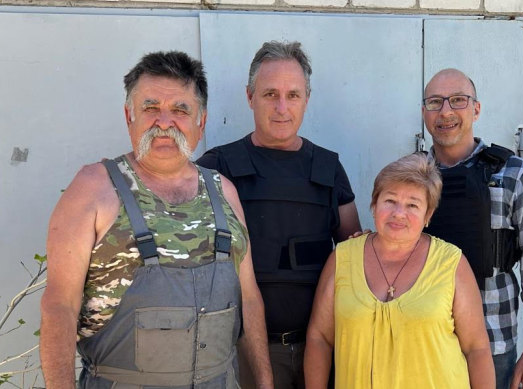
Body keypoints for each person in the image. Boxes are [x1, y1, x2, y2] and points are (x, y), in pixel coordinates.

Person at [40, 51, 273, 389]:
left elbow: (248, 298)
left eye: (180, 110)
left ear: (201, 121)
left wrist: (264, 382)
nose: (165, 122)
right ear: (128, 115)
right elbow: (59, 305)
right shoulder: (93, 190)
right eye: (151, 108)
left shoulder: (225, 193)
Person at [197, 41, 361, 388]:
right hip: (241, 351)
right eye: (270, 94)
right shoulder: (216, 168)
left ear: (307, 98)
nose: (282, 107)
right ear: (249, 96)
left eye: (293, 95)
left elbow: (355, 261)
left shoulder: (328, 169)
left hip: (322, 350)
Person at [304, 153, 495, 388]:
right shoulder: (342, 259)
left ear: (428, 215)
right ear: (374, 205)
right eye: (390, 201)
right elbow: (319, 338)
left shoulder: (451, 263)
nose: (399, 214)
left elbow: (477, 348)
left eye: (412, 205)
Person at [421, 68, 523, 389]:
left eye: (457, 100)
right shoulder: (410, 175)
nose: (446, 112)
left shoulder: (514, 174)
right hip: (425, 343)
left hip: (494, 343)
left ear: (476, 109)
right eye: (434, 102)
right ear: (424, 112)